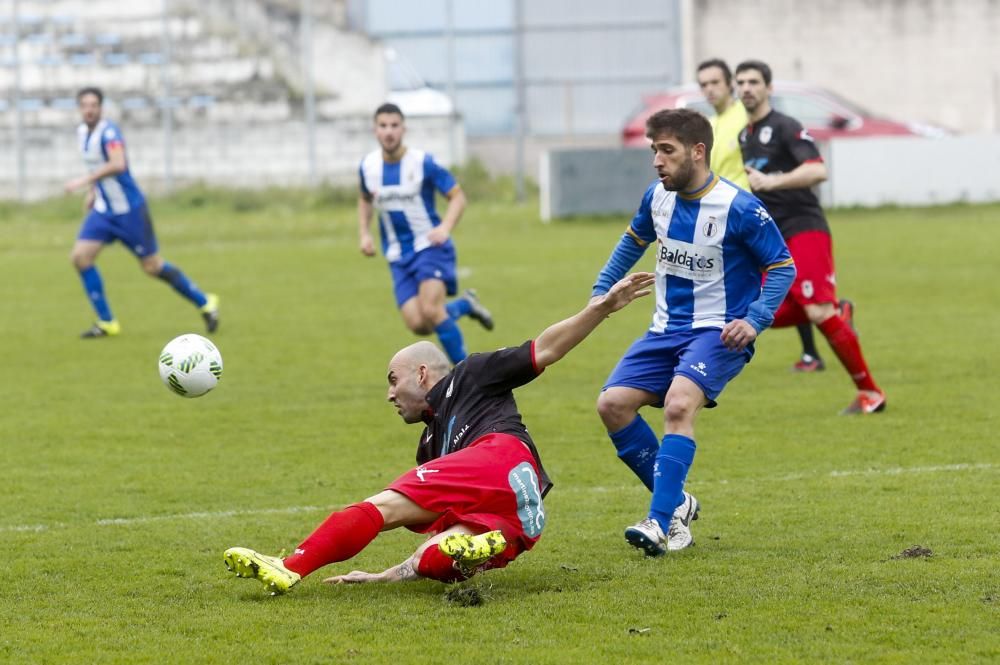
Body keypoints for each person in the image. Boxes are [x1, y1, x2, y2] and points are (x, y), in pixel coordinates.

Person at [223, 271, 657, 593]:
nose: (390, 394)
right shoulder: (432, 446)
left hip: (501, 454)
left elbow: (545, 348)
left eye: (393, 380)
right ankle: (485, 544)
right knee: (430, 559)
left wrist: (601, 307)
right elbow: (417, 553)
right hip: (520, 517)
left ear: (422, 373)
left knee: (382, 506)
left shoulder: (472, 374)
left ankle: (291, 566)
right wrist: (381, 577)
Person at [592, 108, 795, 557]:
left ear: (697, 151)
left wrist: (755, 319)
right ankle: (678, 502)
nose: (657, 161)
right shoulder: (656, 198)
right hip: (664, 329)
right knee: (612, 405)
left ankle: (660, 522)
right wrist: (601, 291)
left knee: (680, 403)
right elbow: (633, 240)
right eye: (654, 150)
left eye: (667, 150)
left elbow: (782, 265)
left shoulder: (740, 207)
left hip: (720, 333)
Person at [735, 60, 886, 414]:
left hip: (804, 226)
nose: (746, 88)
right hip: (772, 235)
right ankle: (839, 313)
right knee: (754, 309)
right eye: (740, 82)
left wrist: (774, 181)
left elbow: (818, 170)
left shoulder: (786, 126)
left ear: (769, 88)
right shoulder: (745, 136)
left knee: (816, 309)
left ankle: (871, 393)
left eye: (753, 82)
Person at [696, 59, 840, 374]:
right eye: (703, 84)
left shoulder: (745, 118)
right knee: (763, 293)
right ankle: (821, 330)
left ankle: (811, 350)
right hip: (731, 218)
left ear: (728, 85)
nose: (709, 90)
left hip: (764, 214)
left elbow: (804, 164)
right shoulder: (714, 125)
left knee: (777, 285)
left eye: (715, 83)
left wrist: (771, 184)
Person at [65, 87, 219, 338]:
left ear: (101, 108)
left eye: (94, 105)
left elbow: (118, 164)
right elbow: (97, 166)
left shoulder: (110, 132)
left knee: (152, 266)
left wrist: (83, 181)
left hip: (130, 212)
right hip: (104, 211)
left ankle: (205, 302)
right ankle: (107, 322)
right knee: (80, 257)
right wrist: (93, 191)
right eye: (85, 105)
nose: (89, 110)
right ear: (79, 108)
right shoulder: (82, 132)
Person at [358, 102, 492, 365]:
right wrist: (364, 233)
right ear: (375, 130)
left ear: (403, 129)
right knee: (419, 324)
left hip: (430, 246)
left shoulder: (423, 163)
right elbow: (364, 198)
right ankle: (465, 305)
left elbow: (457, 197)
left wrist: (445, 227)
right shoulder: (368, 166)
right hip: (397, 254)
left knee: (431, 309)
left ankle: (467, 376)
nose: (389, 131)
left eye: (394, 125)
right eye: (383, 126)